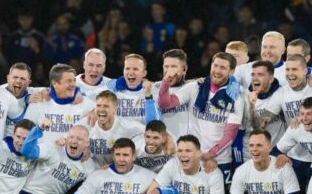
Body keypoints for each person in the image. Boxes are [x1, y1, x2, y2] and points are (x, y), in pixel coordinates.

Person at [158, 52, 244, 186]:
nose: (217, 70)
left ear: (231, 71)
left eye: (223, 67)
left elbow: (231, 134)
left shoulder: (236, 97)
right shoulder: (195, 87)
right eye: (215, 65)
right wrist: (165, 83)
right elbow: (165, 103)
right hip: (193, 158)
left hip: (220, 160)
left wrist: (211, 154)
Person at [23, 64, 95, 144]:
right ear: (55, 84)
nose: (73, 84)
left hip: (72, 156)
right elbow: (24, 131)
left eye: (74, 80)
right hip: (42, 155)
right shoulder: (39, 101)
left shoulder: (86, 104)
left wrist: (95, 111)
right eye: (68, 81)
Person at [86, 90, 145, 170]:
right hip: (93, 172)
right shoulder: (87, 125)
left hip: (119, 172)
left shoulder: (127, 126)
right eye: (98, 106)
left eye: (106, 106)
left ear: (115, 109)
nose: (101, 109)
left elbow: (149, 132)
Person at [154, 49, 192, 138]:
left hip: (186, 147)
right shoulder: (154, 88)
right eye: (166, 66)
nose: (169, 72)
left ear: (184, 69)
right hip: (163, 146)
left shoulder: (192, 88)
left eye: (173, 67)